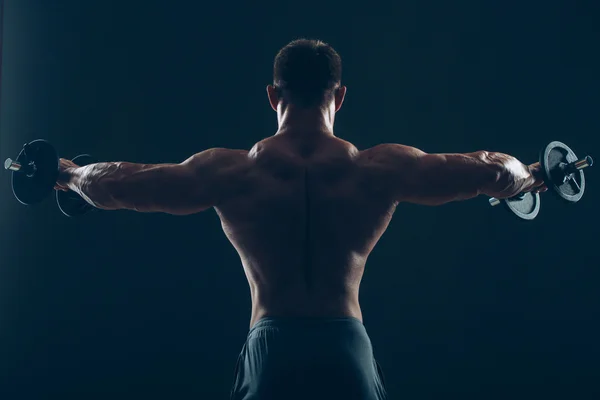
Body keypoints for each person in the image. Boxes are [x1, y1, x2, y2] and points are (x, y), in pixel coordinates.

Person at [54, 39, 547, 400]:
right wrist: (530, 177)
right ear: (341, 95)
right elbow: (491, 170)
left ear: (273, 95)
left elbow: (124, 183)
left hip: (272, 348)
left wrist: (70, 176)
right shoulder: (382, 169)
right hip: (345, 346)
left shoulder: (229, 171)